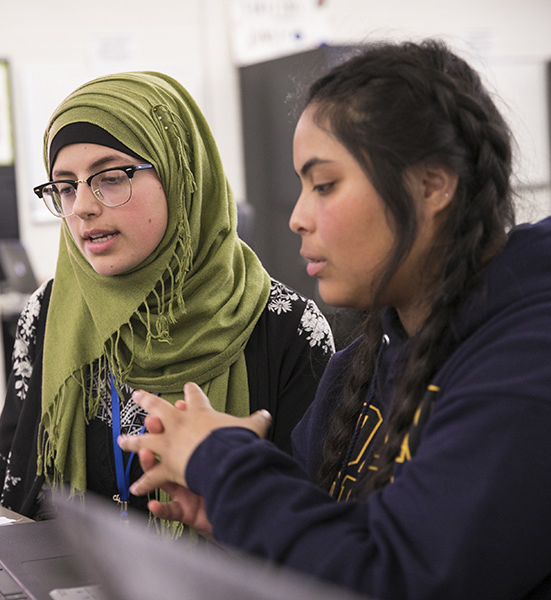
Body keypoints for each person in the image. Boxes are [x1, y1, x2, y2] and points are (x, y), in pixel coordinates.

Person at [118, 39, 551, 599]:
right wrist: (236, 518)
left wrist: (224, 462)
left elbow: (393, 577)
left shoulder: (526, 363)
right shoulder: (361, 363)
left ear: (433, 183)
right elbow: (338, 547)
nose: (298, 217)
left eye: (324, 185)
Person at [0, 71, 335, 522]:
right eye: (66, 186)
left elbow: (316, 520)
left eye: (111, 178)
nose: (83, 208)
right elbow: (19, 469)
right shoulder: (49, 312)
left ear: (180, 176)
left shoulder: (288, 329)